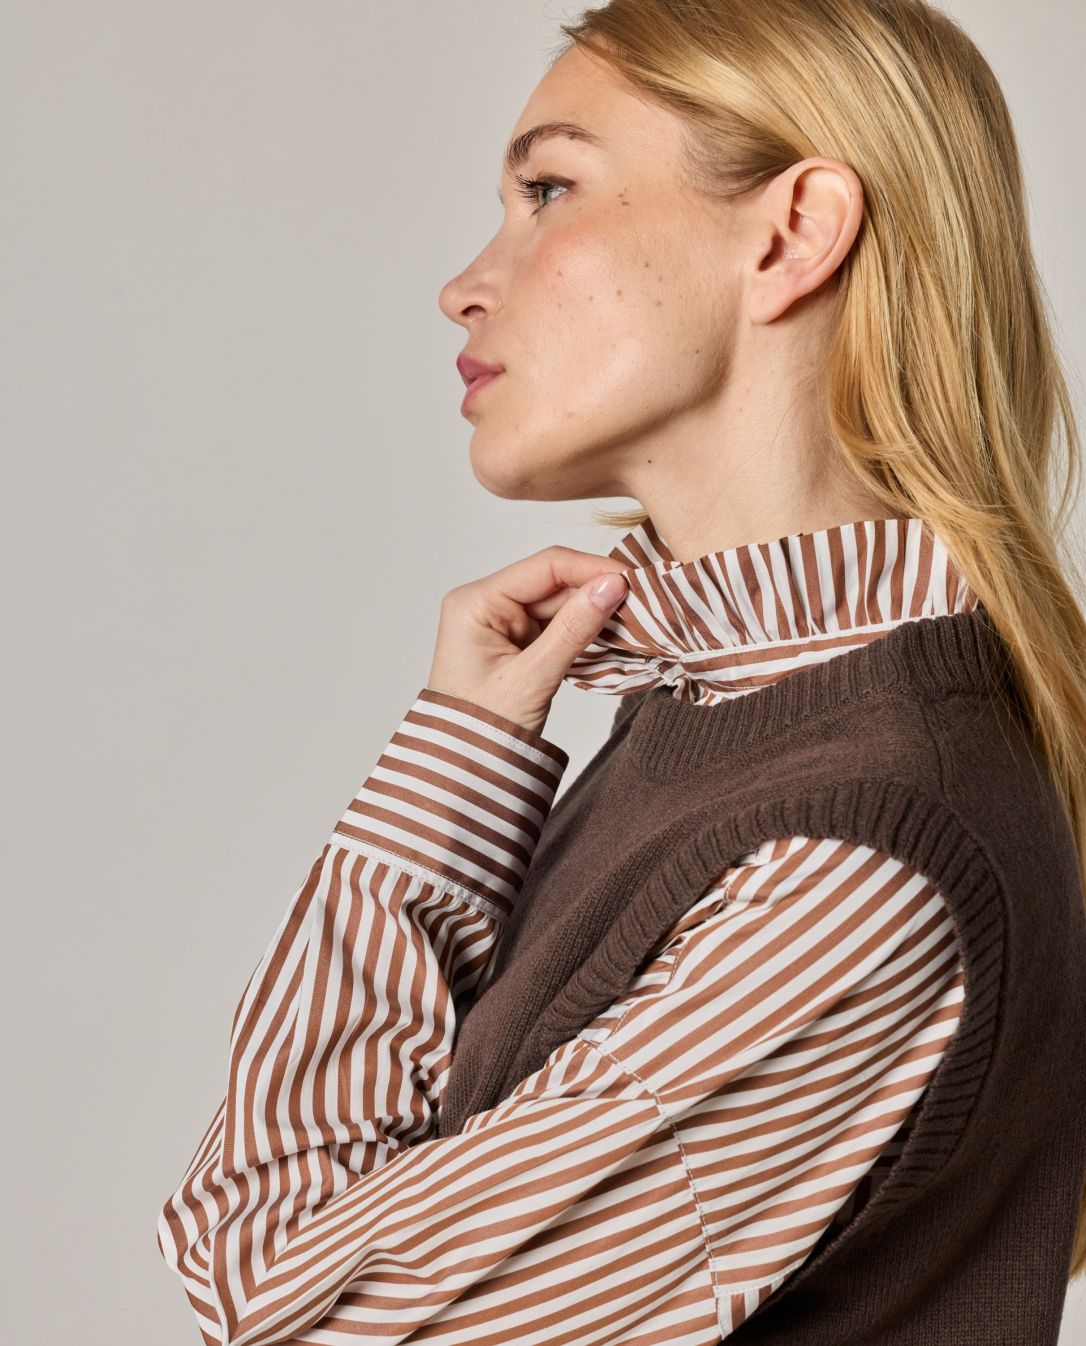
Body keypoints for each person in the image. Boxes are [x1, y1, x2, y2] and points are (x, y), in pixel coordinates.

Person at [156, 2, 1086, 1343]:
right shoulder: (715, 711)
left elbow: (284, 1298)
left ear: (792, 235)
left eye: (549, 189)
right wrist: (464, 753)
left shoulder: (858, 850)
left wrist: (441, 783)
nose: (465, 284)